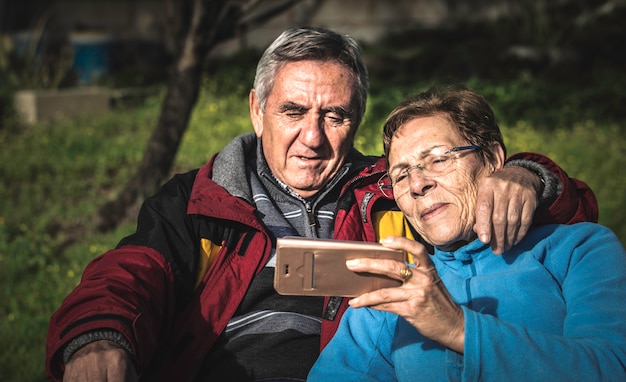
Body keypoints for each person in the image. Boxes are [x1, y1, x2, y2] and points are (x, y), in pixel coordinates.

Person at [46, 27, 597, 382]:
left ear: (355, 122)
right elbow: (131, 272)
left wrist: (528, 174)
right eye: (293, 112)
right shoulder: (202, 197)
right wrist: (100, 333)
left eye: (334, 117)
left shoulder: (392, 189)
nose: (312, 138)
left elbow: (479, 186)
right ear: (257, 110)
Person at [308, 85, 626, 382]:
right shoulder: (393, 291)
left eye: (438, 159)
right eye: (401, 175)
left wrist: (459, 329)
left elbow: (614, 365)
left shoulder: (580, 249)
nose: (417, 185)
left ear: (492, 160)